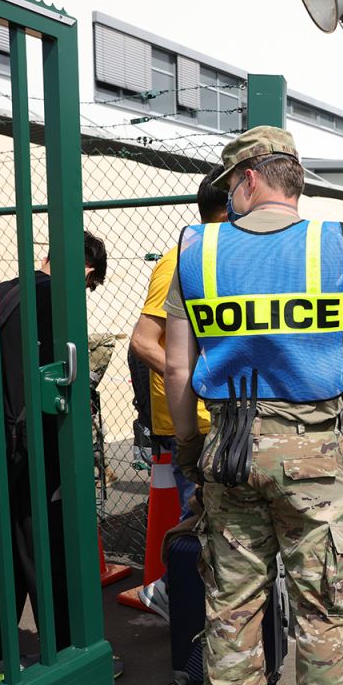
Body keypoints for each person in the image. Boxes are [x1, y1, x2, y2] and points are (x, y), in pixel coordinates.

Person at [164, 126, 343, 685]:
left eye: (227, 186)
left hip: (229, 449)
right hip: (313, 455)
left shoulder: (196, 250)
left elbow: (178, 369)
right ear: (291, 178)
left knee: (232, 596)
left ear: (245, 179)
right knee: (323, 596)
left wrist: (189, 448)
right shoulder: (334, 248)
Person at [0, 232, 107, 685]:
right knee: (48, 550)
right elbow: (56, 385)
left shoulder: (5, 291)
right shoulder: (53, 303)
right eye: (90, 287)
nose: (85, 297)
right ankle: (67, 654)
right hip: (31, 447)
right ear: (87, 272)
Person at [128, 169, 227, 619]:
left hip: (221, 418)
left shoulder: (222, 257)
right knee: (201, 525)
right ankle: (172, 592)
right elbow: (145, 341)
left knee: (220, 528)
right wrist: (200, 382)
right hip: (195, 421)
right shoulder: (179, 260)